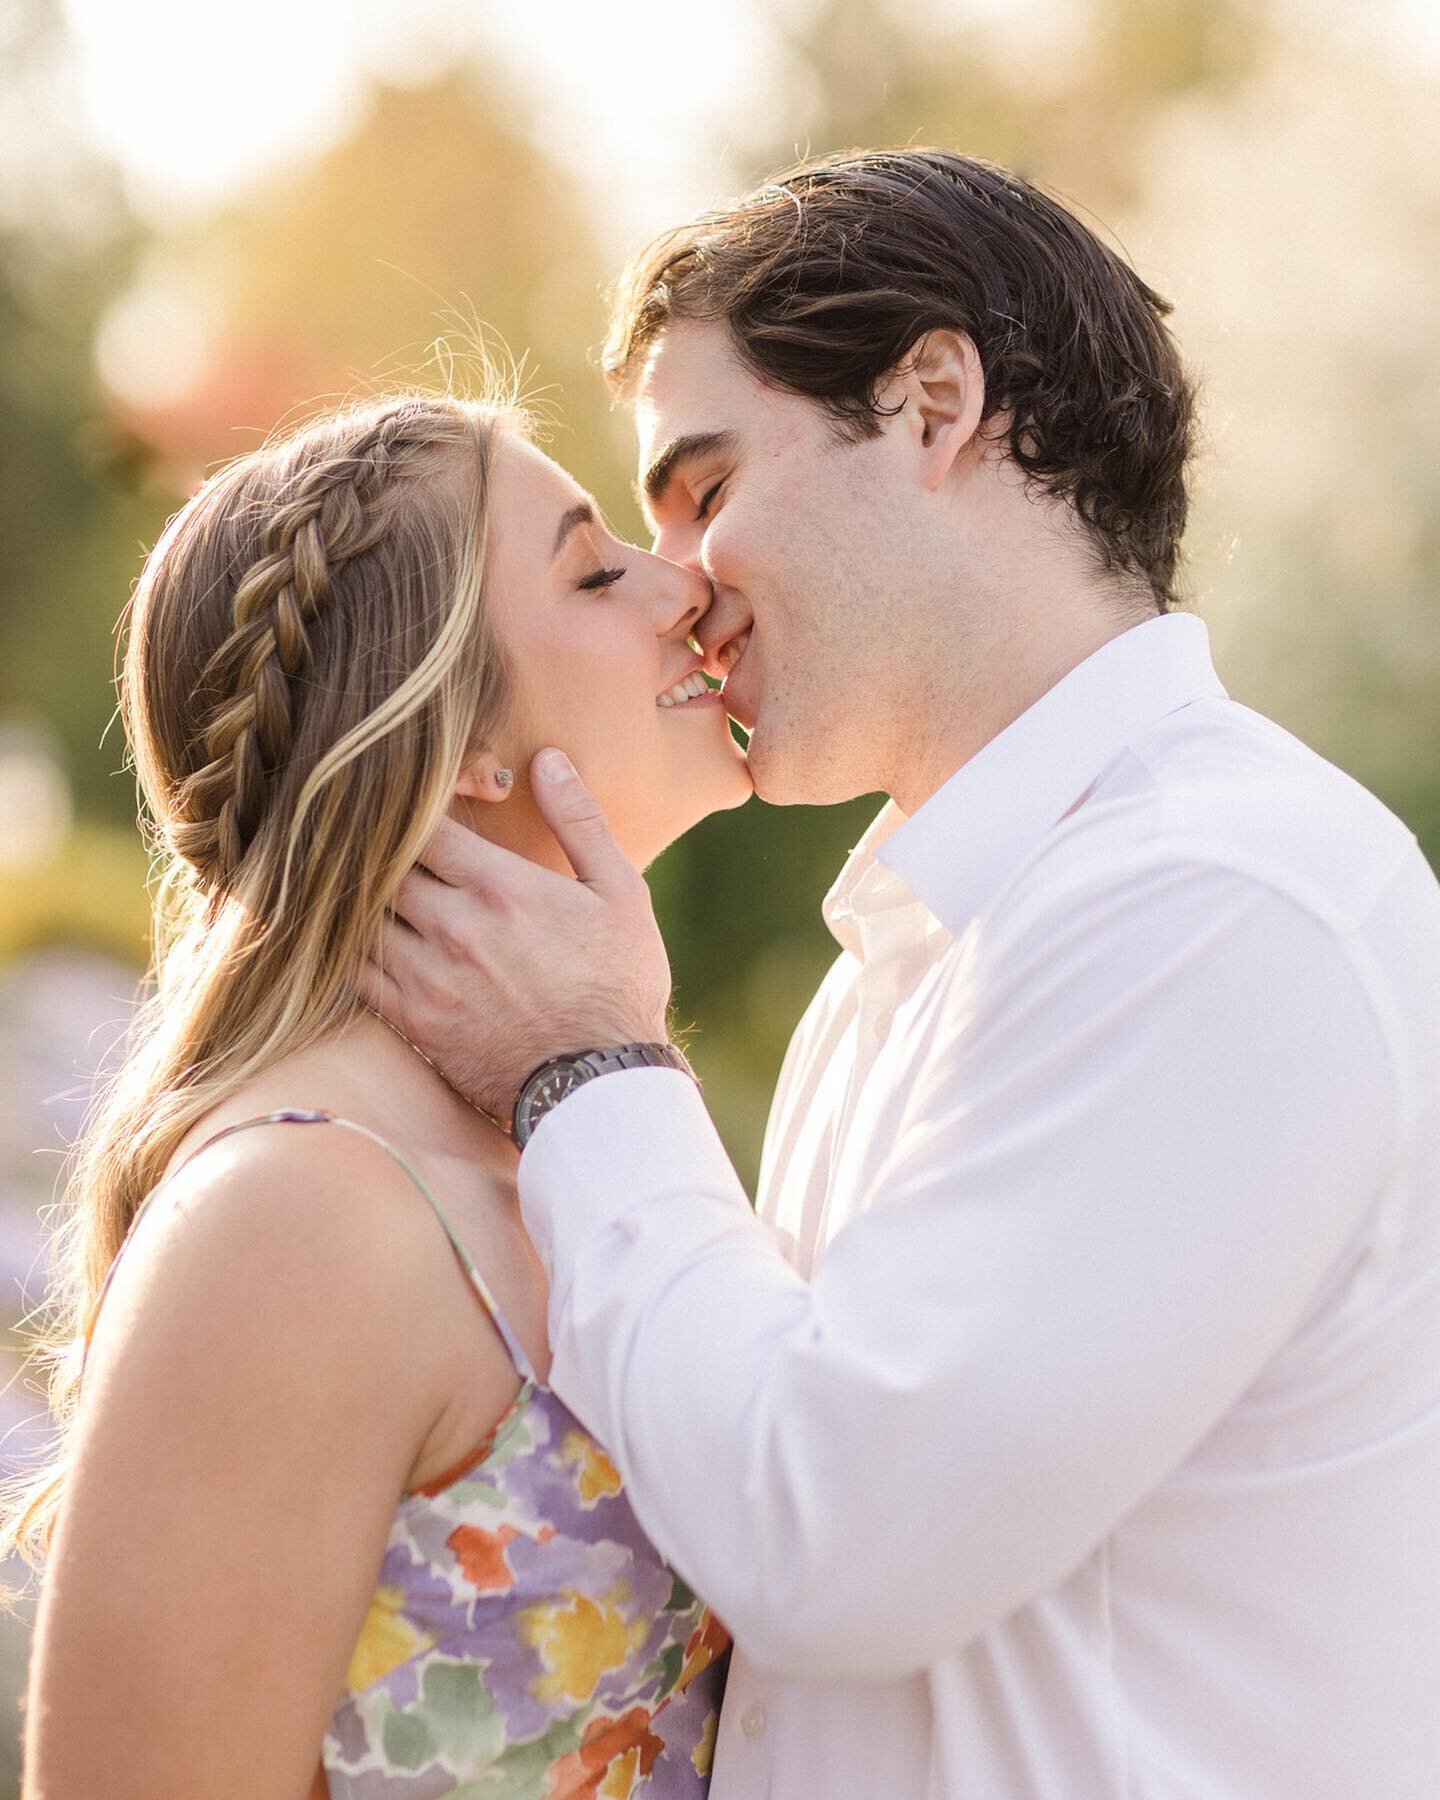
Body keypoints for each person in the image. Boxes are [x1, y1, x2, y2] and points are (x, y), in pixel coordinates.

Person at [367, 150, 1440, 1799]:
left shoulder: (1222, 903)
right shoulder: (929, 945)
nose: (680, 589)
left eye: (706, 488)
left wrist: (586, 1074)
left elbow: (829, 1539)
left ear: (935, 402)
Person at [13, 391, 741, 1797]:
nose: (687, 586)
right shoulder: (299, 1219)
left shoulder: (583, 1137)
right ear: (453, 740)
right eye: (596, 571)